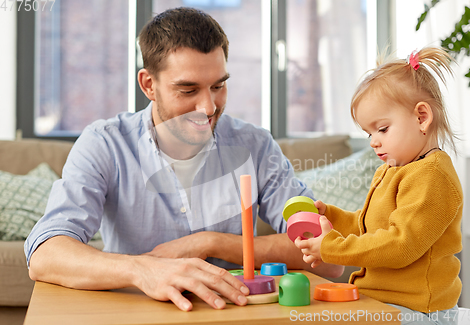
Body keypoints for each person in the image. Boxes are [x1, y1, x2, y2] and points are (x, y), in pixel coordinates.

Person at [24, 7, 343, 312]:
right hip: (135, 312)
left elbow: (330, 255)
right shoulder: (105, 144)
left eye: (218, 86)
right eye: (188, 90)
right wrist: (142, 270)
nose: (208, 106)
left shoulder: (256, 145)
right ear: (149, 85)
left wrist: (210, 243)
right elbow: (45, 255)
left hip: (234, 313)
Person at [295, 47, 462, 324]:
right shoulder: (390, 170)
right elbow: (367, 228)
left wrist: (332, 248)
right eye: (368, 133)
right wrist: (331, 219)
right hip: (384, 301)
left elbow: (400, 244)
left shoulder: (432, 176)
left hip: (421, 311)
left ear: (422, 118)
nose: (373, 141)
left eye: (382, 129)